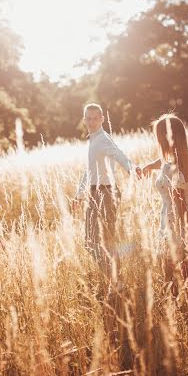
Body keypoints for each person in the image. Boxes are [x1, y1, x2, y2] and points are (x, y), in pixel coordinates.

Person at [71, 103, 140, 281]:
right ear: (84, 119)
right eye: (88, 118)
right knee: (91, 242)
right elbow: (89, 170)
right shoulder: (94, 139)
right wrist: (79, 196)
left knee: (104, 242)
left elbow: (118, 154)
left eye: (95, 118)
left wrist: (131, 168)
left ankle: (116, 281)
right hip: (95, 194)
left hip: (106, 194)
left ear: (102, 119)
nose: (92, 122)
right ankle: (114, 278)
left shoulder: (102, 138)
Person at [142, 113, 188, 269]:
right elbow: (163, 161)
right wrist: (150, 166)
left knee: (174, 270)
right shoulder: (185, 157)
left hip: (176, 220)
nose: (157, 140)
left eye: (158, 136)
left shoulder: (171, 167)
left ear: (167, 137)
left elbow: (179, 200)